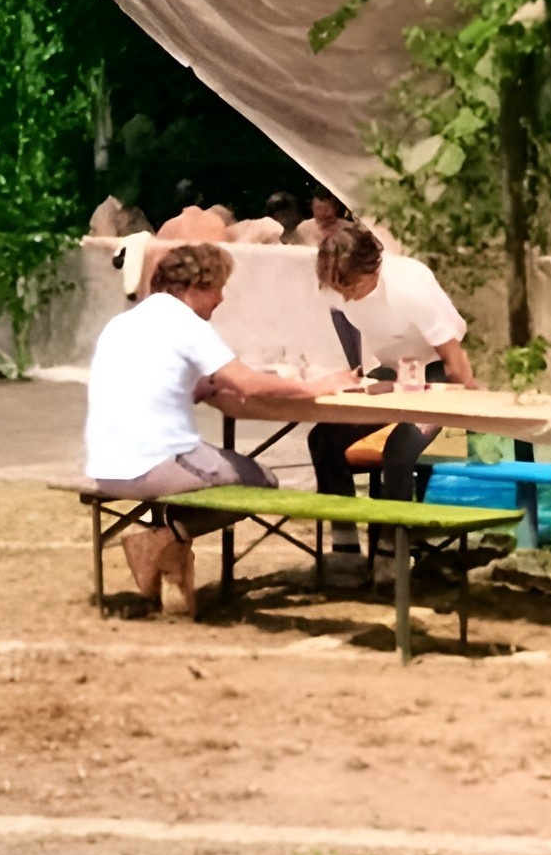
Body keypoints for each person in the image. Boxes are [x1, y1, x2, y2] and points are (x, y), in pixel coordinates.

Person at [85, 243, 357, 616]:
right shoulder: (185, 323)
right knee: (261, 483)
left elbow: (143, 384)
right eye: (218, 288)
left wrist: (195, 390)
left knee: (202, 472)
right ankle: (162, 539)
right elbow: (247, 384)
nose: (221, 298)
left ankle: (169, 570)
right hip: (153, 467)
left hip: (105, 465)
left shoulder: (123, 322)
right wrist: (318, 387)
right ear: (195, 285)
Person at [308, 226, 478, 579]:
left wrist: (474, 408)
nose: (347, 296)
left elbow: (454, 356)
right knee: (324, 438)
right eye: (339, 288)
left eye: (352, 287)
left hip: (436, 373)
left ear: (373, 269)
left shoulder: (410, 287)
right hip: (393, 370)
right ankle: (345, 548)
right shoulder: (337, 283)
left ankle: (391, 552)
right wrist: (354, 371)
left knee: (401, 449)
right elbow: (339, 314)